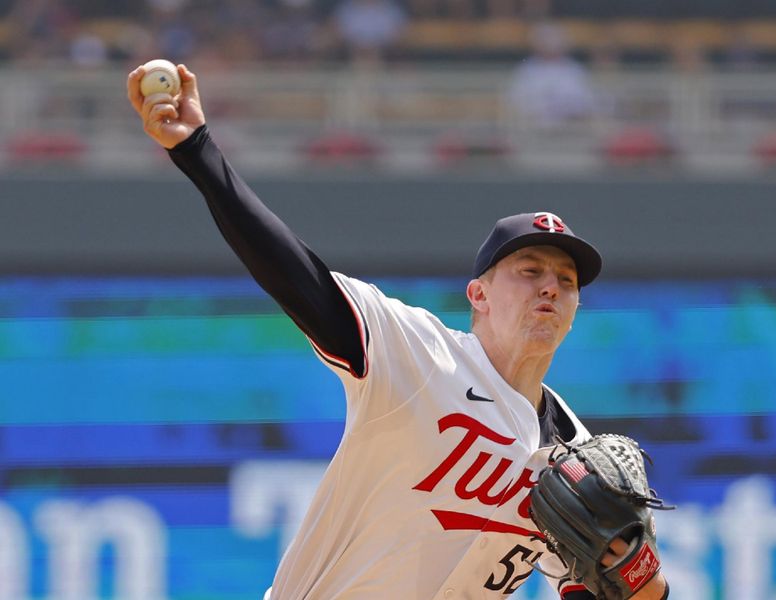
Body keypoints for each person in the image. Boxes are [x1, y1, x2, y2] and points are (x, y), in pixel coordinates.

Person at [127, 63, 670, 599]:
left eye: (567, 281)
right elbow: (294, 273)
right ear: (478, 295)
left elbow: (604, 593)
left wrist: (646, 580)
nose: (550, 287)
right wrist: (198, 151)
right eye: (530, 271)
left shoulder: (572, 452)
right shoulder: (415, 354)